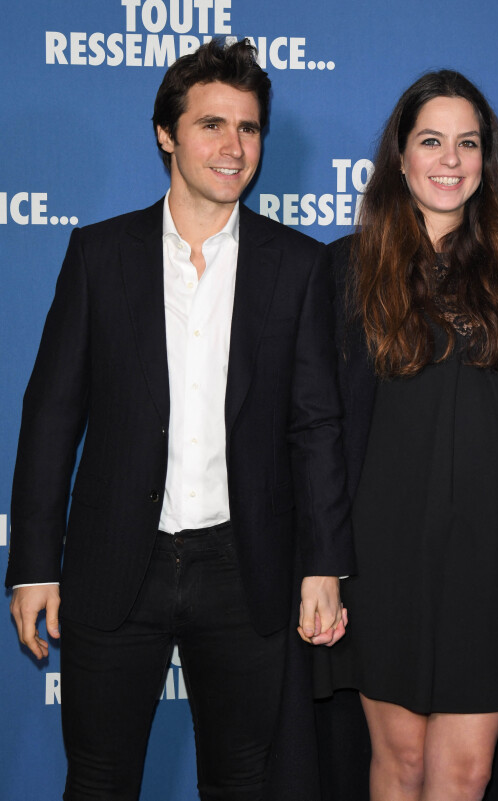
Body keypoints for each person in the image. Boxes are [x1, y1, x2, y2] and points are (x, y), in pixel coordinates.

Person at [6, 39, 355, 801]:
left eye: (251, 128)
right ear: (167, 133)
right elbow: (51, 414)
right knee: (98, 780)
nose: (235, 147)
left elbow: (316, 425)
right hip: (113, 564)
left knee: (243, 781)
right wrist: (34, 562)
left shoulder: (297, 266)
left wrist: (322, 564)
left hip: (244, 568)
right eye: (212, 125)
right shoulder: (100, 255)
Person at [315, 70, 498, 801]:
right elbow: (320, 429)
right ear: (401, 158)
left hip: (494, 556)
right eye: (432, 140)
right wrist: (326, 566)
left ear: (485, 161)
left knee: (466, 773)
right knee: (399, 764)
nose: (450, 159)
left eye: (467, 143)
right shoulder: (347, 268)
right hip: (382, 553)